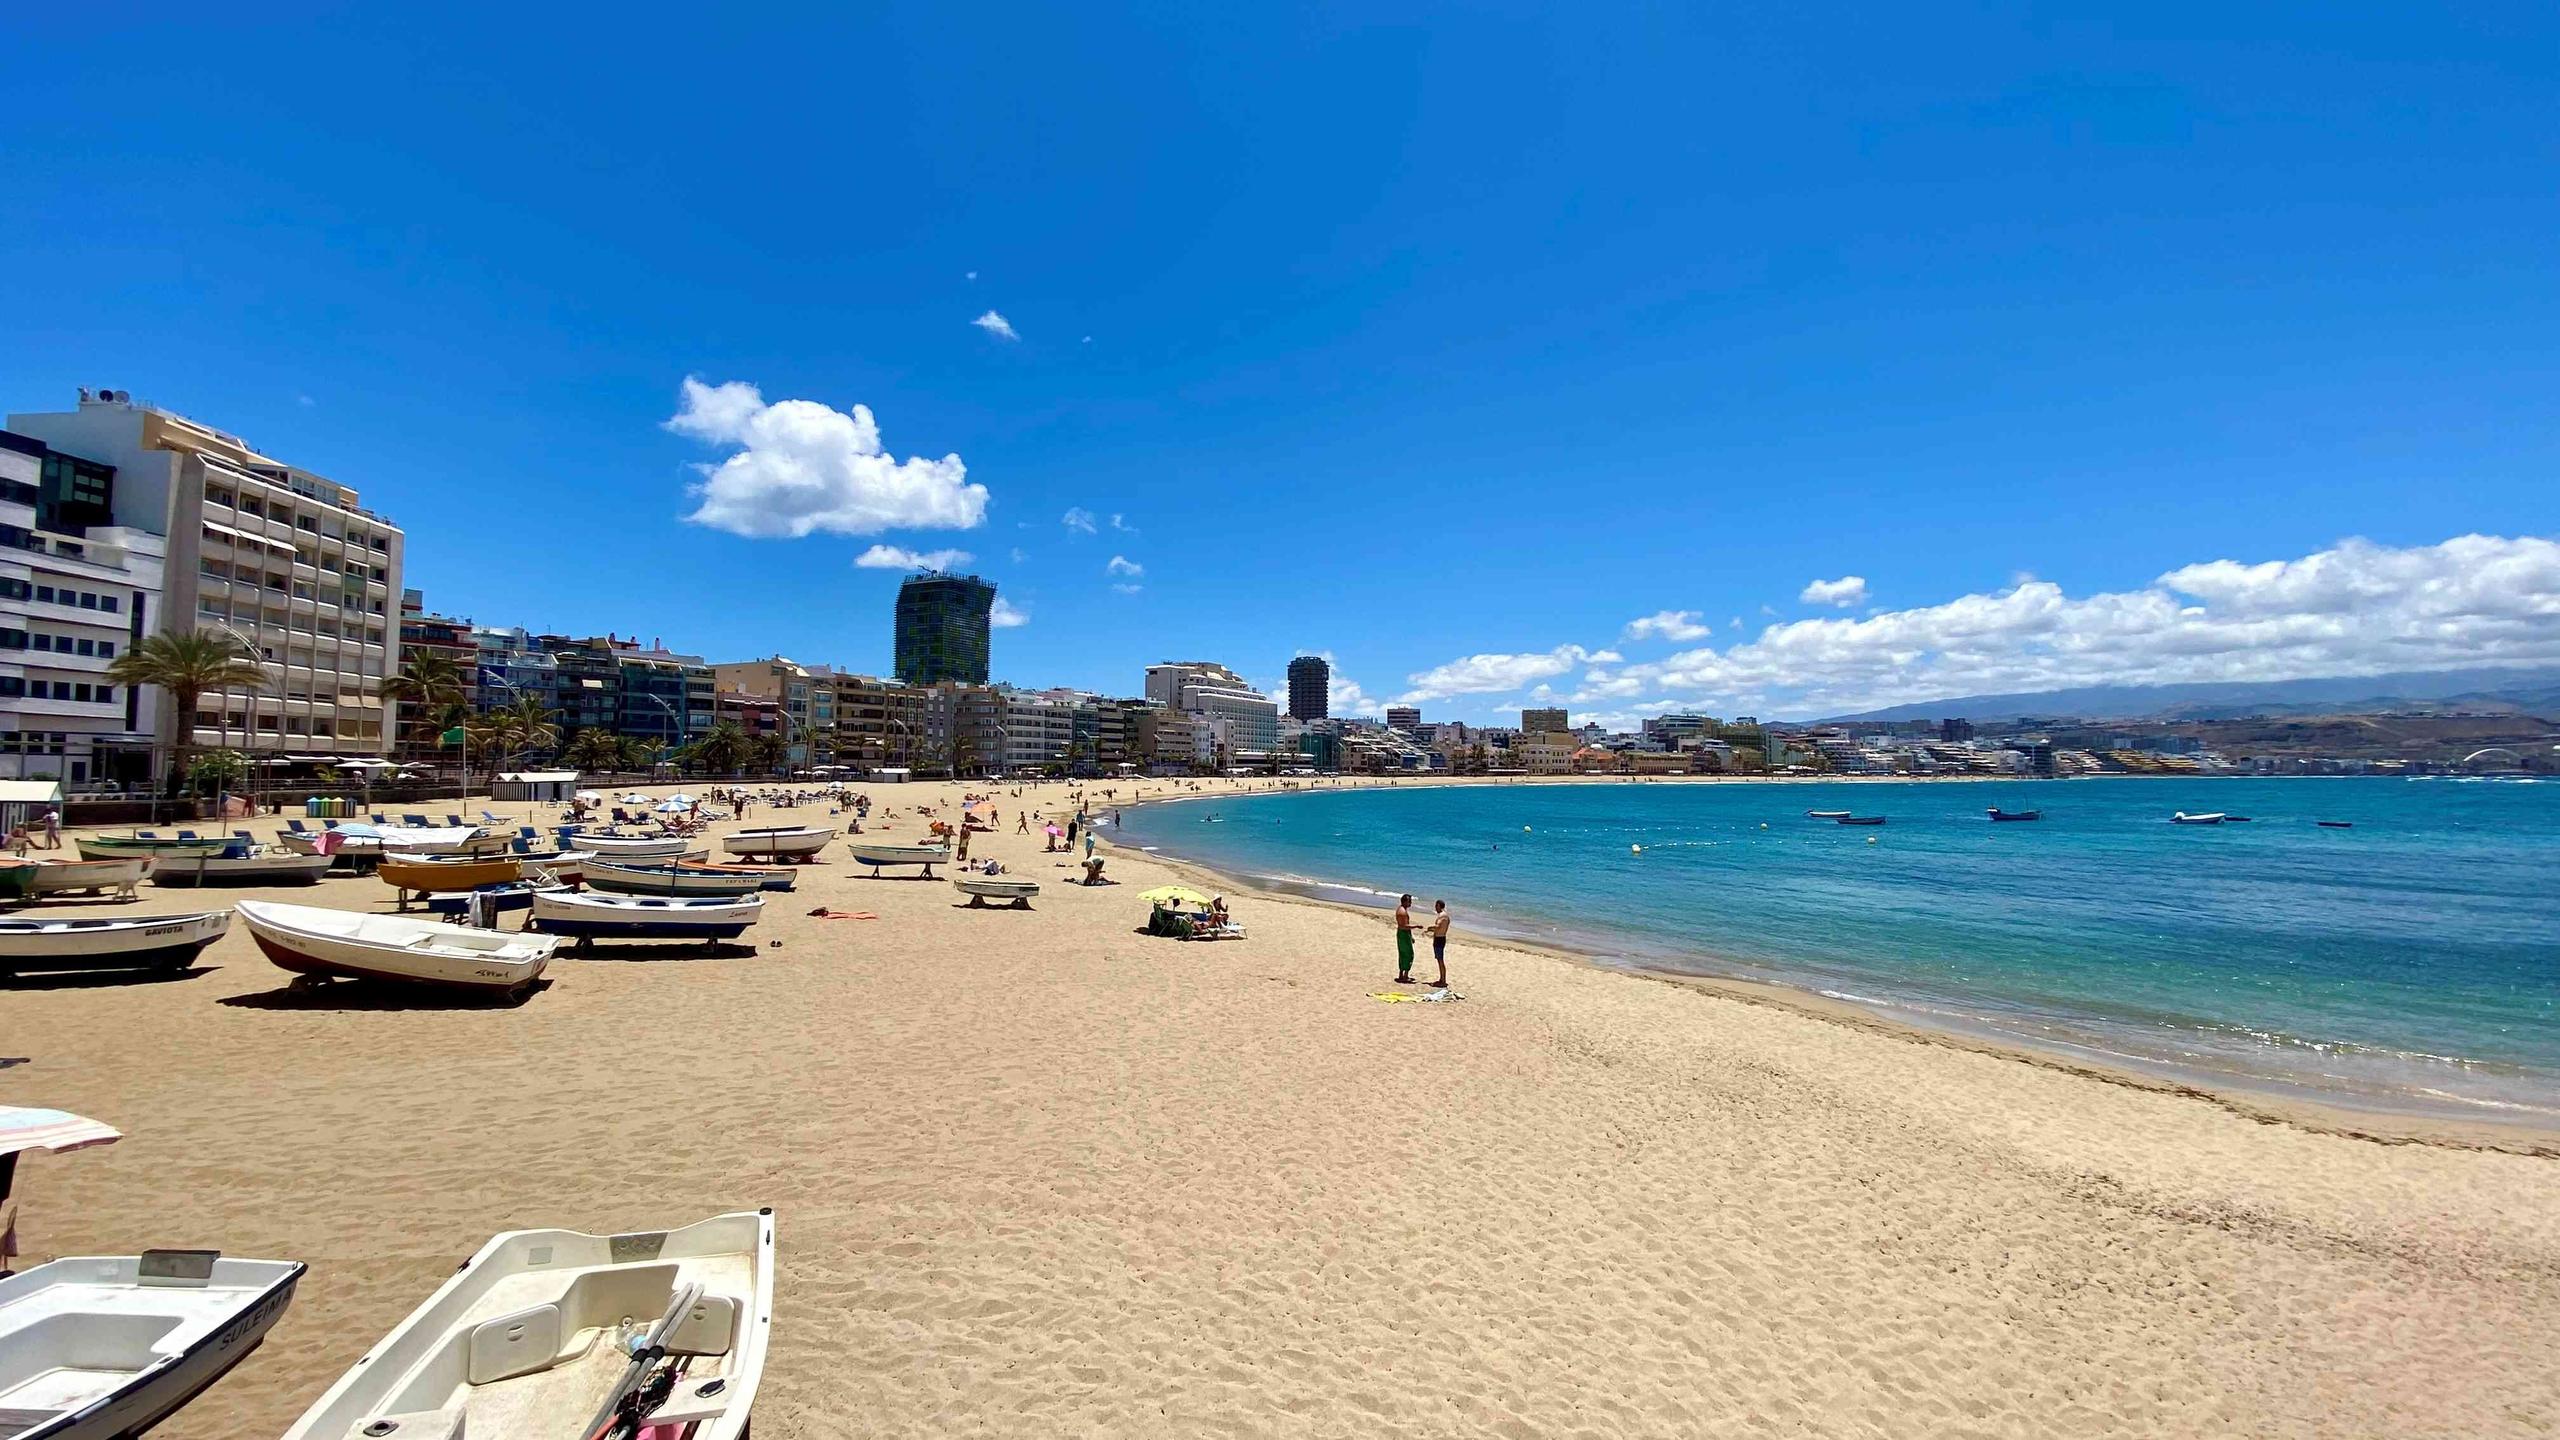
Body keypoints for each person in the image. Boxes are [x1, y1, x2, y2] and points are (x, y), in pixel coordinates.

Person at [1392, 894, 1417, 984]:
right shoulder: (1402, 912)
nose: (1410, 903)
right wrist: (1416, 926)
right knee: (1409, 954)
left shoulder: (1401, 909)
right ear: (1405, 901)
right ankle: (1405, 975)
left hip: (1403, 933)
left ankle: (1401, 974)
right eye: (1409, 901)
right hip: (1403, 933)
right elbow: (1404, 926)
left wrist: (1411, 936)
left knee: (1403, 953)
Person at [1428, 900, 1453, 987]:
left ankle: (1443, 980)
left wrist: (1429, 928)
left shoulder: (1442, 916)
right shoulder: (1445, 916)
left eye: (1436, 906)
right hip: (1440, 938)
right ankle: (1442, 979)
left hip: (1440, 939)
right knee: (1439, 959)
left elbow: (1438, 926)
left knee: (1440, 960)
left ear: (1439, 906)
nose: (1435, 907)